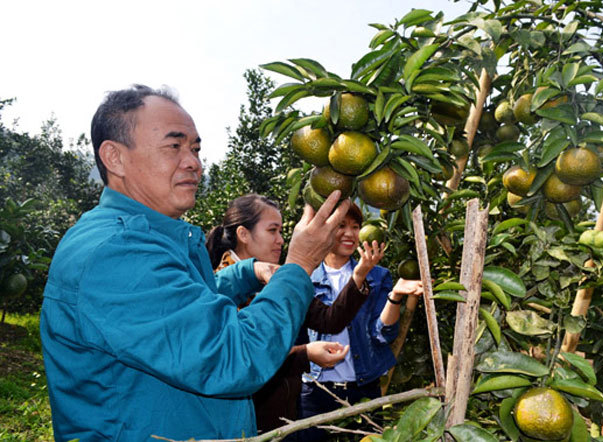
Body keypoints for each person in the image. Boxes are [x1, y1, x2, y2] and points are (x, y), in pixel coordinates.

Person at [39, 84, 350, 441]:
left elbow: (178, 309)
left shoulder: (151, 239)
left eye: (195, 148)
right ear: (114, 157)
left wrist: (247, 271)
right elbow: (233, 356)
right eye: (174, 146)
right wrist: (299, 265)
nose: (194, 163)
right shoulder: (117, 254)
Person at [205, 195, 385, 433]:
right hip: (245, 423)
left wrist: (359, 275)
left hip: (284, 416)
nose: (281, 240)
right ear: (243, 234)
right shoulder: (216, 288)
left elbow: (328, 319)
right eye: (272, 231)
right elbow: (242, 355)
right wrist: (305, 354)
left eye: (281, 231)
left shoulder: (277, 278)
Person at [297, 204, 423, 442]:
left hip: (362, 388)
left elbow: (383, 334)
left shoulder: (378, 276)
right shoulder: (305, 277)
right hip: (316, 389)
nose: (350, 233)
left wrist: (394, 296)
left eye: (356, 227)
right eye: (341, 226)